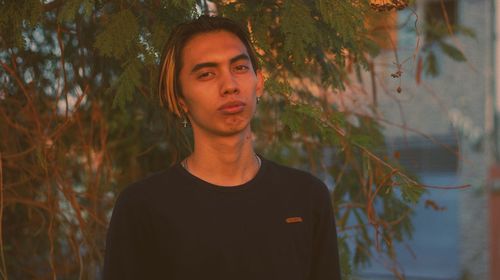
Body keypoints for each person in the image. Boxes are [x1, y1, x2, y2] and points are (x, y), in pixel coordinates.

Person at [103, 15, 341, 280]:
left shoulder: (306, 197)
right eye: (206, 74)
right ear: (180, 98)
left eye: (239, 68)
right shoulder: (143, 208)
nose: (229, 86)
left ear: (258, 81)